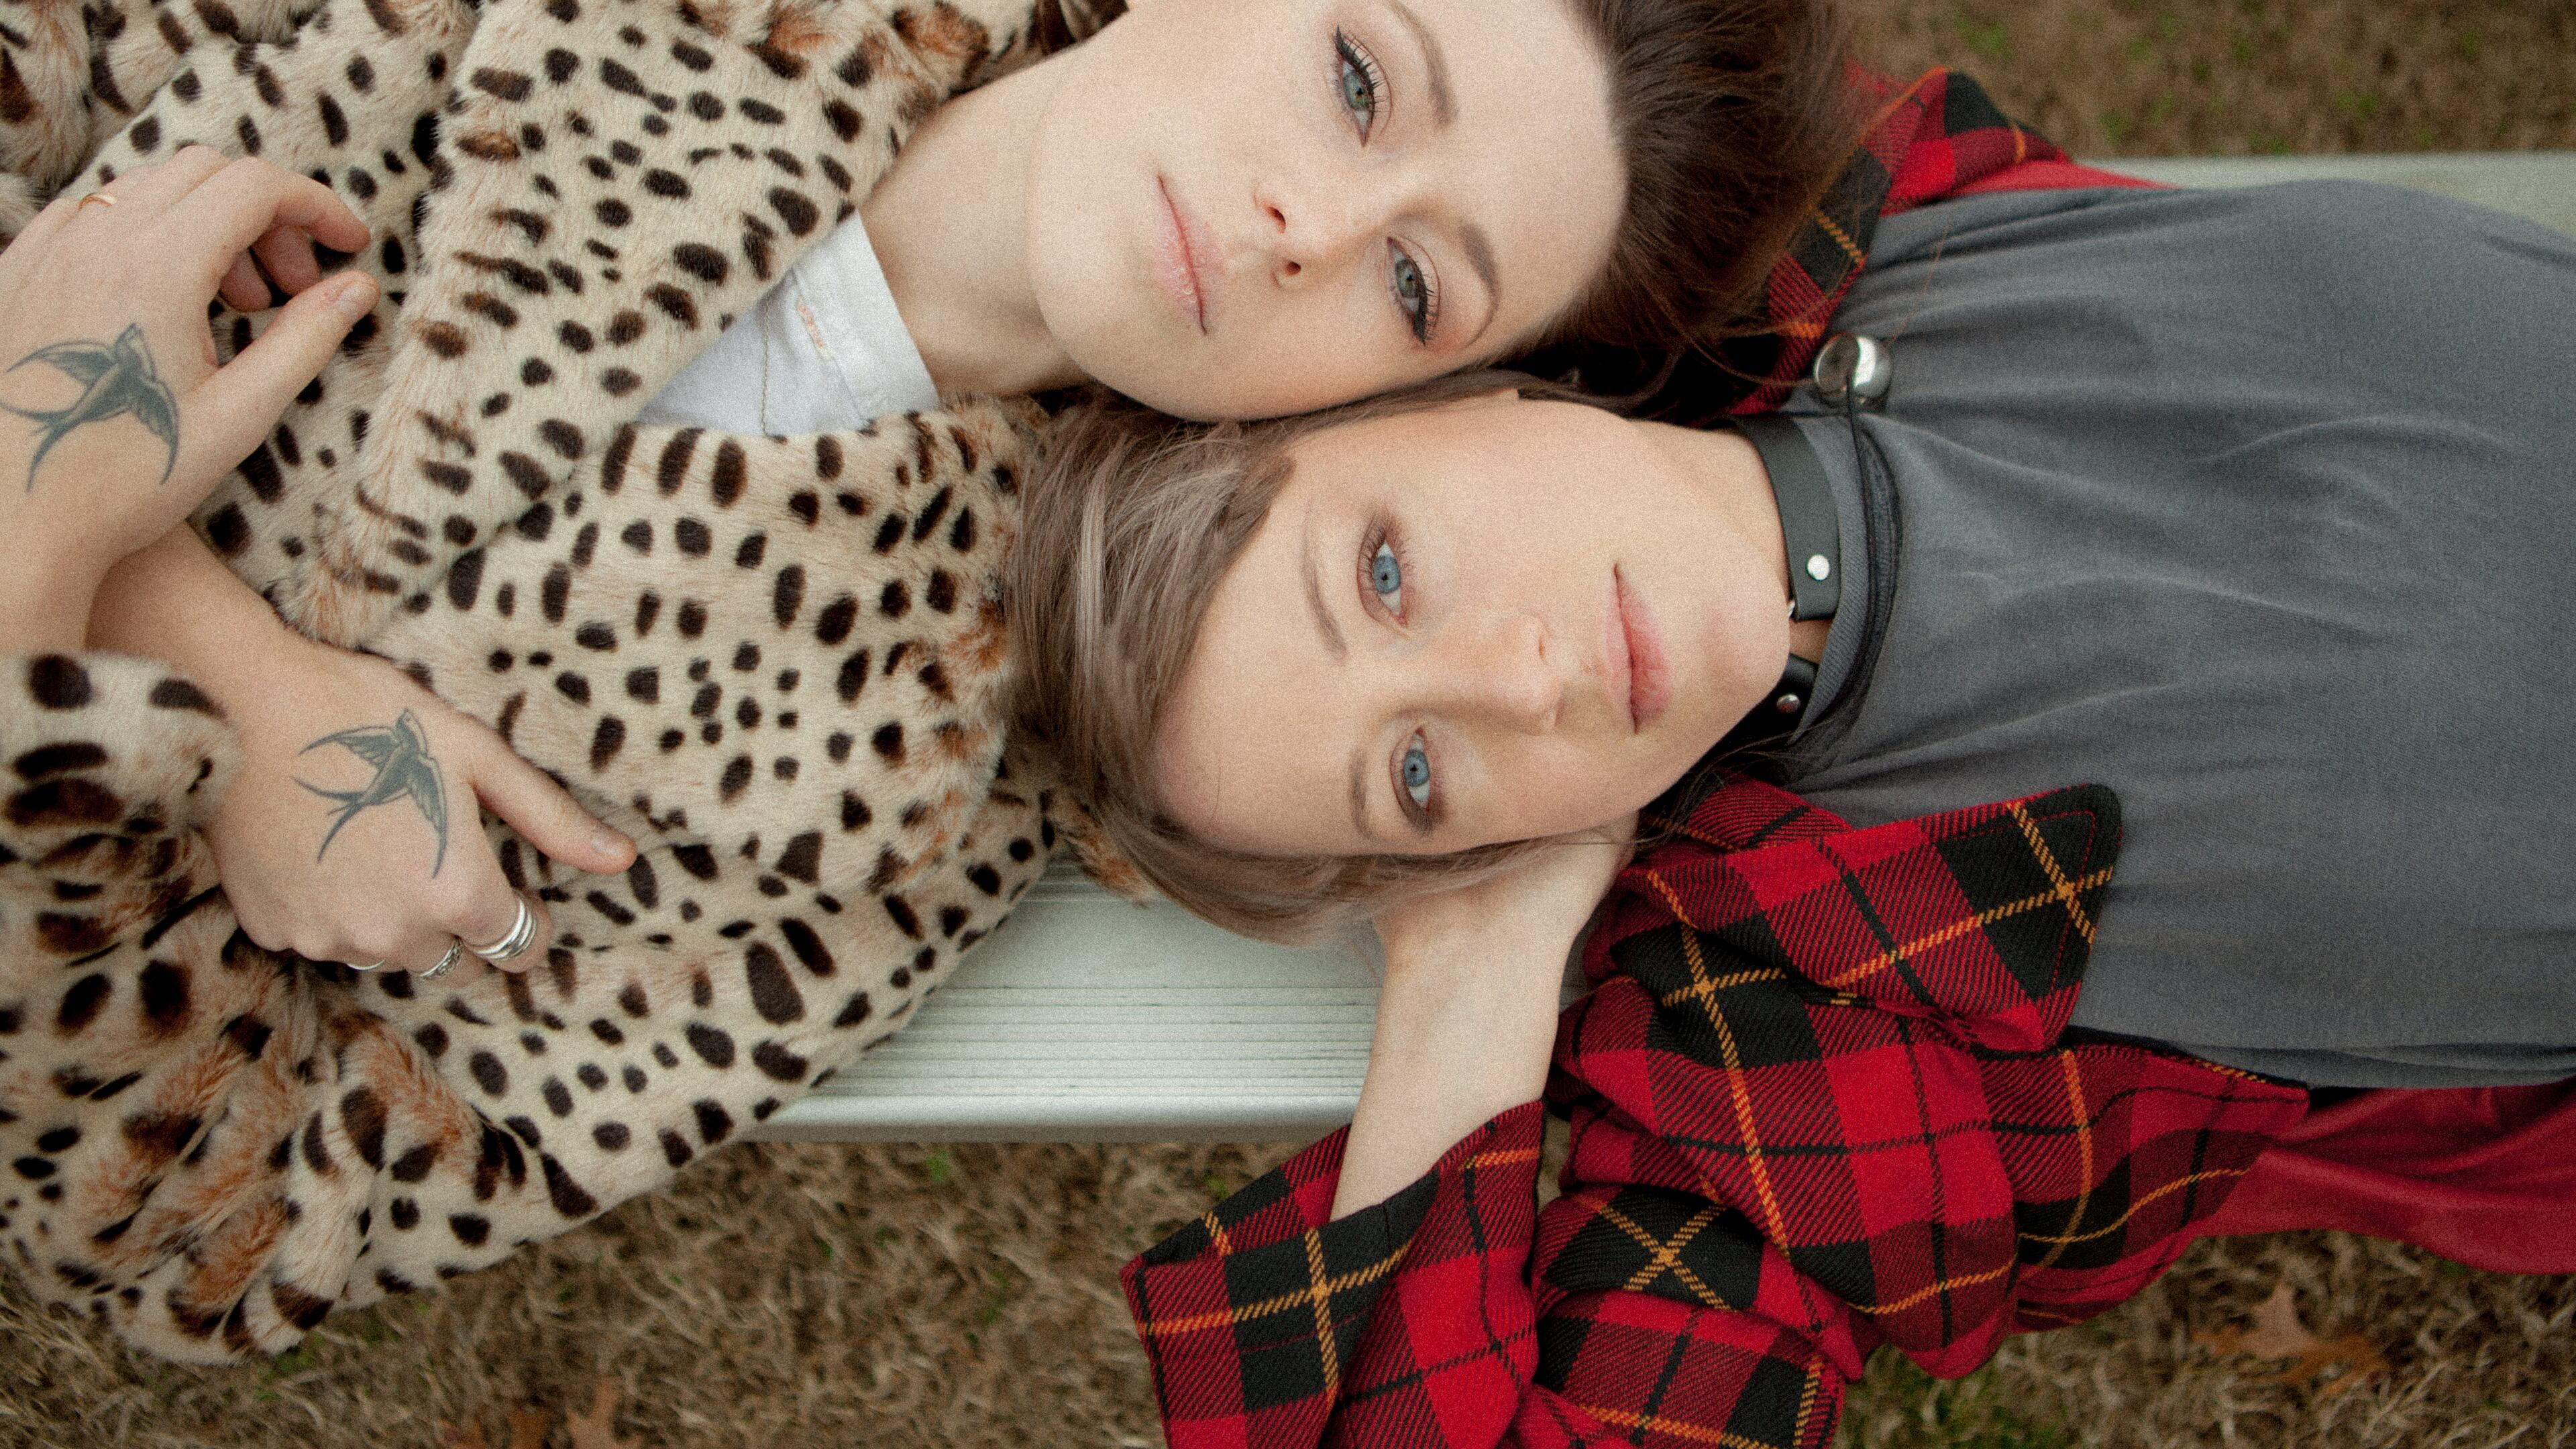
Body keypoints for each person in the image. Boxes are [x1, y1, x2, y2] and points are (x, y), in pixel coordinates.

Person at [1010, 165, 2576, 1444]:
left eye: (1386, 572)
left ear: (1425, 395)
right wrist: (1465, 994)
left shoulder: (1824, 219)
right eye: (1418, 775)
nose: (1517, 677)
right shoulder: (1782, 1038)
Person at [44, 0, 1857, 989]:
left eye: (1415, 285)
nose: (1314, 224)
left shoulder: (938, 758)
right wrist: (212, 660)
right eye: (1357, 77)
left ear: (1428, 392)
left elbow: (180, 1214)